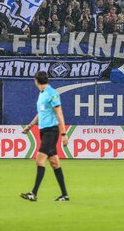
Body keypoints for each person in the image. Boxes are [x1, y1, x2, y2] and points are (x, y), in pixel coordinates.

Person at [20, 71, 70, 202]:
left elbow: (59, 114)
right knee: (54, 162)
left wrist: (64, 133)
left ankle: (33, 193)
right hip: (44, 131)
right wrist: (30, 126)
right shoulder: (42, 94)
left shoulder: (52, 94)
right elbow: (41, 113)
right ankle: (65, 195)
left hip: (51, 132)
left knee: (40, 160)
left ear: (36, 80)